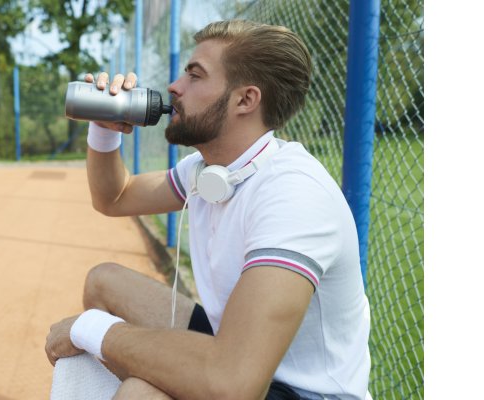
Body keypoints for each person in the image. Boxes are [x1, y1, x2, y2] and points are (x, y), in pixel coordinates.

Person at [45, 19, 371, 400]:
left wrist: (91, 330)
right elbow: (115, 197)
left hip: (301, 392)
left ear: (245, 100)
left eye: (195, 76)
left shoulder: (294, 194)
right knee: (104, 281)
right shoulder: (211, 171)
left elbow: (232, 383)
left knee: (140, 394)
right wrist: (104, 128)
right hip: (233, 352)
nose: (174, 87)